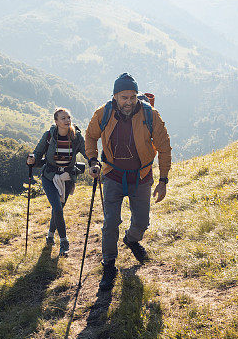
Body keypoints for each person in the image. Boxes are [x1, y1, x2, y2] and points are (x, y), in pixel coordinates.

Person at [85, 73, 171, 291]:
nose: (129, 102)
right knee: (110, 222)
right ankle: (109, 265)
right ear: (115, 97)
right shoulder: (104, 113)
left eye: (132, 97)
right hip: (113, 174)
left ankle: (132, 240)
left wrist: (163, 180)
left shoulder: (150, 115)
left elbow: (164, 147)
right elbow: (90, 135)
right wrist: (93, 160)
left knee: (142, 222)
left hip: (141, 177)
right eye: (124, 97)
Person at [28, 107, 88, 257]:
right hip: (49, 176)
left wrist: (95, 163)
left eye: (68, 118)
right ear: (56, 121)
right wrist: (33, 158)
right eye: (63, 118)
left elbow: (89, 153)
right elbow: (38, 152)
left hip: (67, 178)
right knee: (58, 208)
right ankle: (64, 242)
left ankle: (50, 235)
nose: (67, 120)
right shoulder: (49, 136)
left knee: (58, 209)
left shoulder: (77, 137)